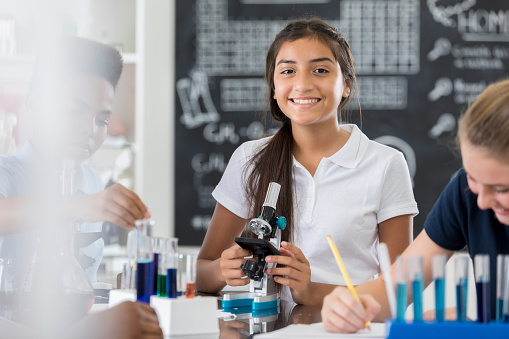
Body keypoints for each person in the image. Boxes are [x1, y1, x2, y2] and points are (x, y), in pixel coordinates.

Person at [196, 18, 418, 306]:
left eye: (321, 70)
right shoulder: (250, 159)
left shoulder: (386, 164)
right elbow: (202, 273)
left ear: (346, 84)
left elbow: (400, 292)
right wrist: (221, 270)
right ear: (274, 88)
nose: (302, 84)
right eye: (288, 71)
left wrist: (313, 291)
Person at [0, 36, 163, 337]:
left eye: (101, 121)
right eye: (72, 111)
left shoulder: (91, 182)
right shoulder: (7, 173)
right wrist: (77, 205)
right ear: (35, 104)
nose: (88, 130)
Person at [321, 78, 509, 333]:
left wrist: (483, 322)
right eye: (474, 178)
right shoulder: (465, 192)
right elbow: (395, 289)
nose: (482, 201)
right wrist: (349, 304)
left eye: (502, 189)